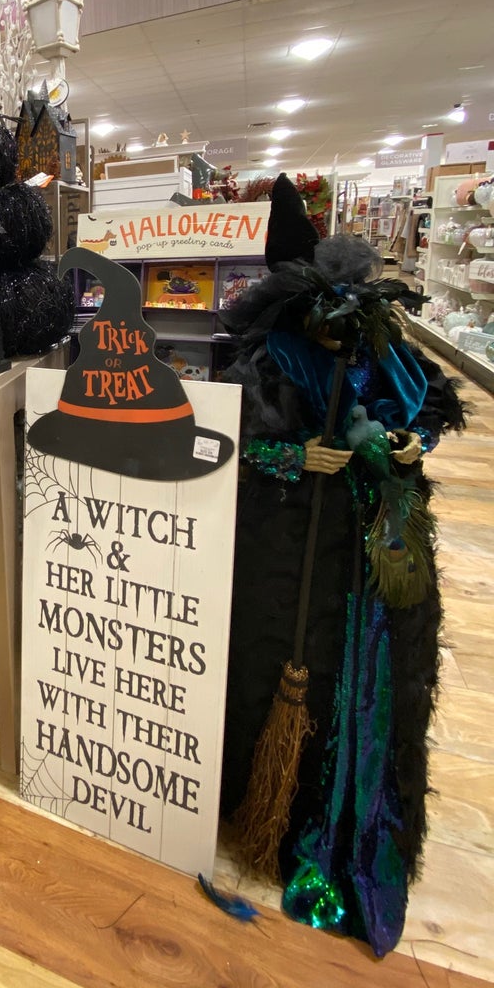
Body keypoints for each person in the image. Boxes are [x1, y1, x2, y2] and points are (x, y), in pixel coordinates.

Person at [218, 174, 466, 956]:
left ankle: (351, 816)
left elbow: (430, 406)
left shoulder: (386, 354)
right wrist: (294, 457)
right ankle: (268, 804)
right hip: (293, 548)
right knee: (284, 657)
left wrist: (412, 442)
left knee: (368, 673)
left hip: (374, 549)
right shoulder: (271, 359)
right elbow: (237, 442)